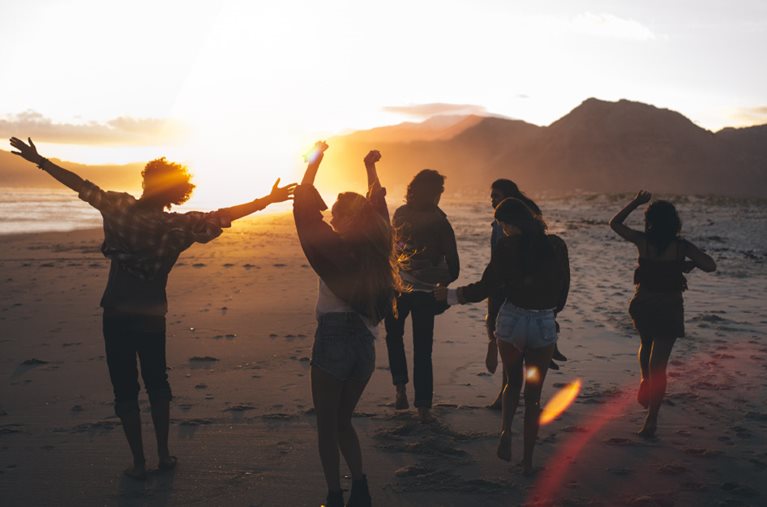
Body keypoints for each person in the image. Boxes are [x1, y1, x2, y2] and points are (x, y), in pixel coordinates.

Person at [8, 137, 296, 480]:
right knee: (157, 383)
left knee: (125, 388)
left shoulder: (118, 208)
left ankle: (139, 462)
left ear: (146, 181)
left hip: (116, 312)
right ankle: (164, 455)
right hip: (151, 316)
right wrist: (267, 200)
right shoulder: (177, 226)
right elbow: (222, 216)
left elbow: (80, 185)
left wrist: (41, 161)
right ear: (177, 194)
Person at [294, 141, 402, 507]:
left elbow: (305, 208)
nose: (331, 218)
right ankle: (360, 487)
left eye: (336, 214)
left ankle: (334, 497)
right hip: (365, 349)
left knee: (327, 426)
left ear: (344, 219)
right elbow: (379, 208)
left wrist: (315, 159)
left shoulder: (335, 249)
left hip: (334, 341)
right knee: (344, 422)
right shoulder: (377, 248)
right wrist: (370, 167)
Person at [435, 197, 570, 475]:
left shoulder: (506, 247)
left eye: (502, 225)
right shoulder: (557, 245)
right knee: (533, 397)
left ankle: (506, 432)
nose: (503, 230)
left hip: (512, 323)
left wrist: (450, 296)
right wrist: (550, 314)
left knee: (511, 382)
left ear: (509, 224)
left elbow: (486, 286)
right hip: (542, 325)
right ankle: (529, 461)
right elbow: (563, 289)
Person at [610, 191, 716, 437]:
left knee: (645, 344)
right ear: (674, 222)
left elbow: (614, 224)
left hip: (643, 302)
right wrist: (688, 264)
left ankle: (644, 380)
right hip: (669, 307)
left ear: (650, 221)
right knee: (660, 366)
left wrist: (636, 202)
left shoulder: (642, 241)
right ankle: (651, 420)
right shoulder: (682, 247)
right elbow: (711, 265)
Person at [385, 169, 459, 423]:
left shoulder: (400, 214)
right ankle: (424, 407)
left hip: (398, 288)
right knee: (422, 349)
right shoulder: (440, 221)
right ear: (432, 192)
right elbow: (454, 266)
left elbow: (393, 249)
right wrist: (440, 279)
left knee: (394, 336)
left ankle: (400, 391)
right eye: (439, 191)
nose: (440, 196)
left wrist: (406, 266)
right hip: (426, 294)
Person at [485, 179, 566, 411]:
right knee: (521, 344)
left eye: (496, 195)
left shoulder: (512, 221)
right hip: (524, 293)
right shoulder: (518, 219)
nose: (492, 200)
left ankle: (508, 397)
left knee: (510, 347)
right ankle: (527, 395)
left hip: (513, 287)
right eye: (491, 196)